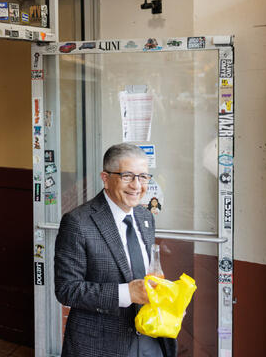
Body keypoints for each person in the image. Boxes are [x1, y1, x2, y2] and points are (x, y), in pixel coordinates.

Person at [54, 143, 176, 357]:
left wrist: (167, 301)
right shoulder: (78, 222)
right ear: (105, 177)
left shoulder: (145, 217)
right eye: (127, 176)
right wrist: (127, 293)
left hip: (151, 338)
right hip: (102, 345)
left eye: (144, 177)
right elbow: (67, 290)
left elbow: (145, 279)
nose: (137, 186)